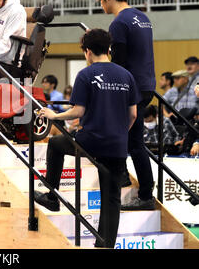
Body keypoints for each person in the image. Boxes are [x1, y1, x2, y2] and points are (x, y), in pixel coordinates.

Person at [34, 29, 139, 248]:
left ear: (87, 51)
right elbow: (133, 115)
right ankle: (105, 244)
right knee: (111, 199)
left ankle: (52, 197)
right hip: (117, 144)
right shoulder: (126, 75)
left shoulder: (86, 74)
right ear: (109, 49)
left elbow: (78, 111)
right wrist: (120, 133)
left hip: (91, 141)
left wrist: (55, 115)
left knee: (55, 143)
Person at [97, 0, 156, 210]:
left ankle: (145, 195)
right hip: (147, 84)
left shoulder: (118, 23)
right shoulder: (143, 17)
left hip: (131, 88)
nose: (101, 5)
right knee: (127, 137)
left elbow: (118, 63)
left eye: (100, 0)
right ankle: (122, 175)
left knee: (133, 143)